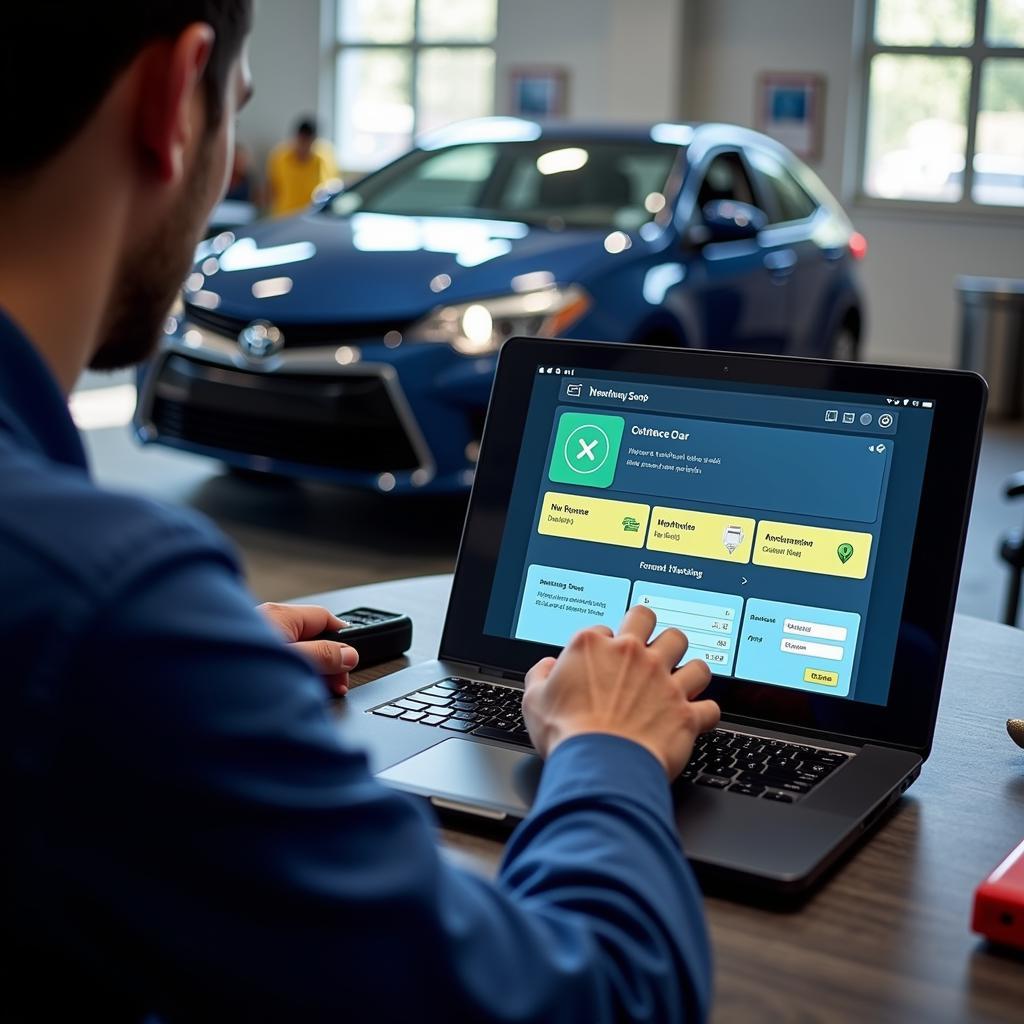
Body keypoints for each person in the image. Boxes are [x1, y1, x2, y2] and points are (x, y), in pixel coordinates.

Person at [1, 3, 720, 1020]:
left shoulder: (91, 618)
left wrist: (187, 681)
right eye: (235, 106)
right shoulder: (103, 602)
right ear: (175, 100)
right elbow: (603, 997)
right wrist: (610, 746)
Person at [264, 115, 338, 216]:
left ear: (314, 140)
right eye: (302, 141)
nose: (304, 146)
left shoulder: (325, 158)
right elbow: (272, 188)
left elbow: (332, 187)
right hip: (284, 215)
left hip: (313, 216)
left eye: (308, 142)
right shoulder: (280, 156)